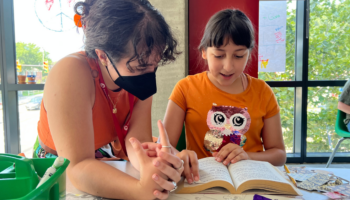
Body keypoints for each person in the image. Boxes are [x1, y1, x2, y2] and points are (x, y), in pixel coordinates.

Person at [34, 0, 184, 199]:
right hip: (55, 168)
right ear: (103, 56)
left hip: (102, 158)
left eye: (154, 66)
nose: (148, 75)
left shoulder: (140, 79)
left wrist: (154, 167)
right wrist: (140, 190)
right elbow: (76, 165)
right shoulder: (71, 73)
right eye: (138, 67)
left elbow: (136, 142)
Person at [163, 9, 287, 184]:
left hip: (251, 180)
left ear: (249, 54)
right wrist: (180, 156)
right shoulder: (186, 88)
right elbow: (164, 149)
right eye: (219, 55)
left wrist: (247, 155)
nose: (228, 67)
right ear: (204, 52)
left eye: (238, 55)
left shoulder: (263, 92)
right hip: (202, 181)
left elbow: (279, 155)